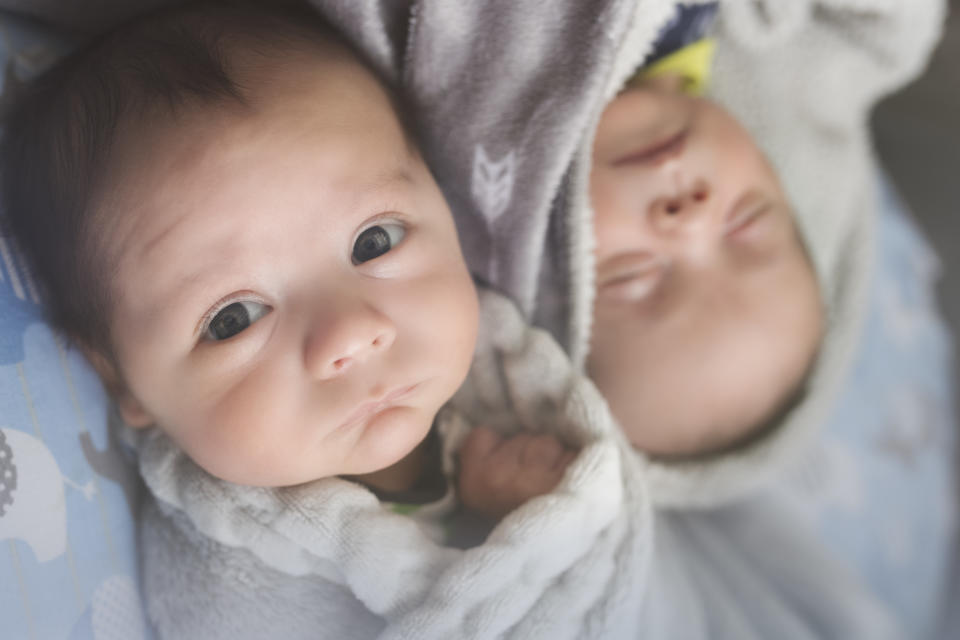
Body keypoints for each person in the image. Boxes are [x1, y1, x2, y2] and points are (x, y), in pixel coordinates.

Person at [0, 2, 911, 638]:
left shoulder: (515, 368)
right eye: (234, 316)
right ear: (122, 381)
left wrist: (563, 513)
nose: (350, 333)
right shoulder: (239, 560)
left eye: (376, 241)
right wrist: (525, 534)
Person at [587, 17, 823, 459]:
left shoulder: (471, 131)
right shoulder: (689, 20)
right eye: (745, 221)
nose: (691, 219)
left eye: (631, 276)